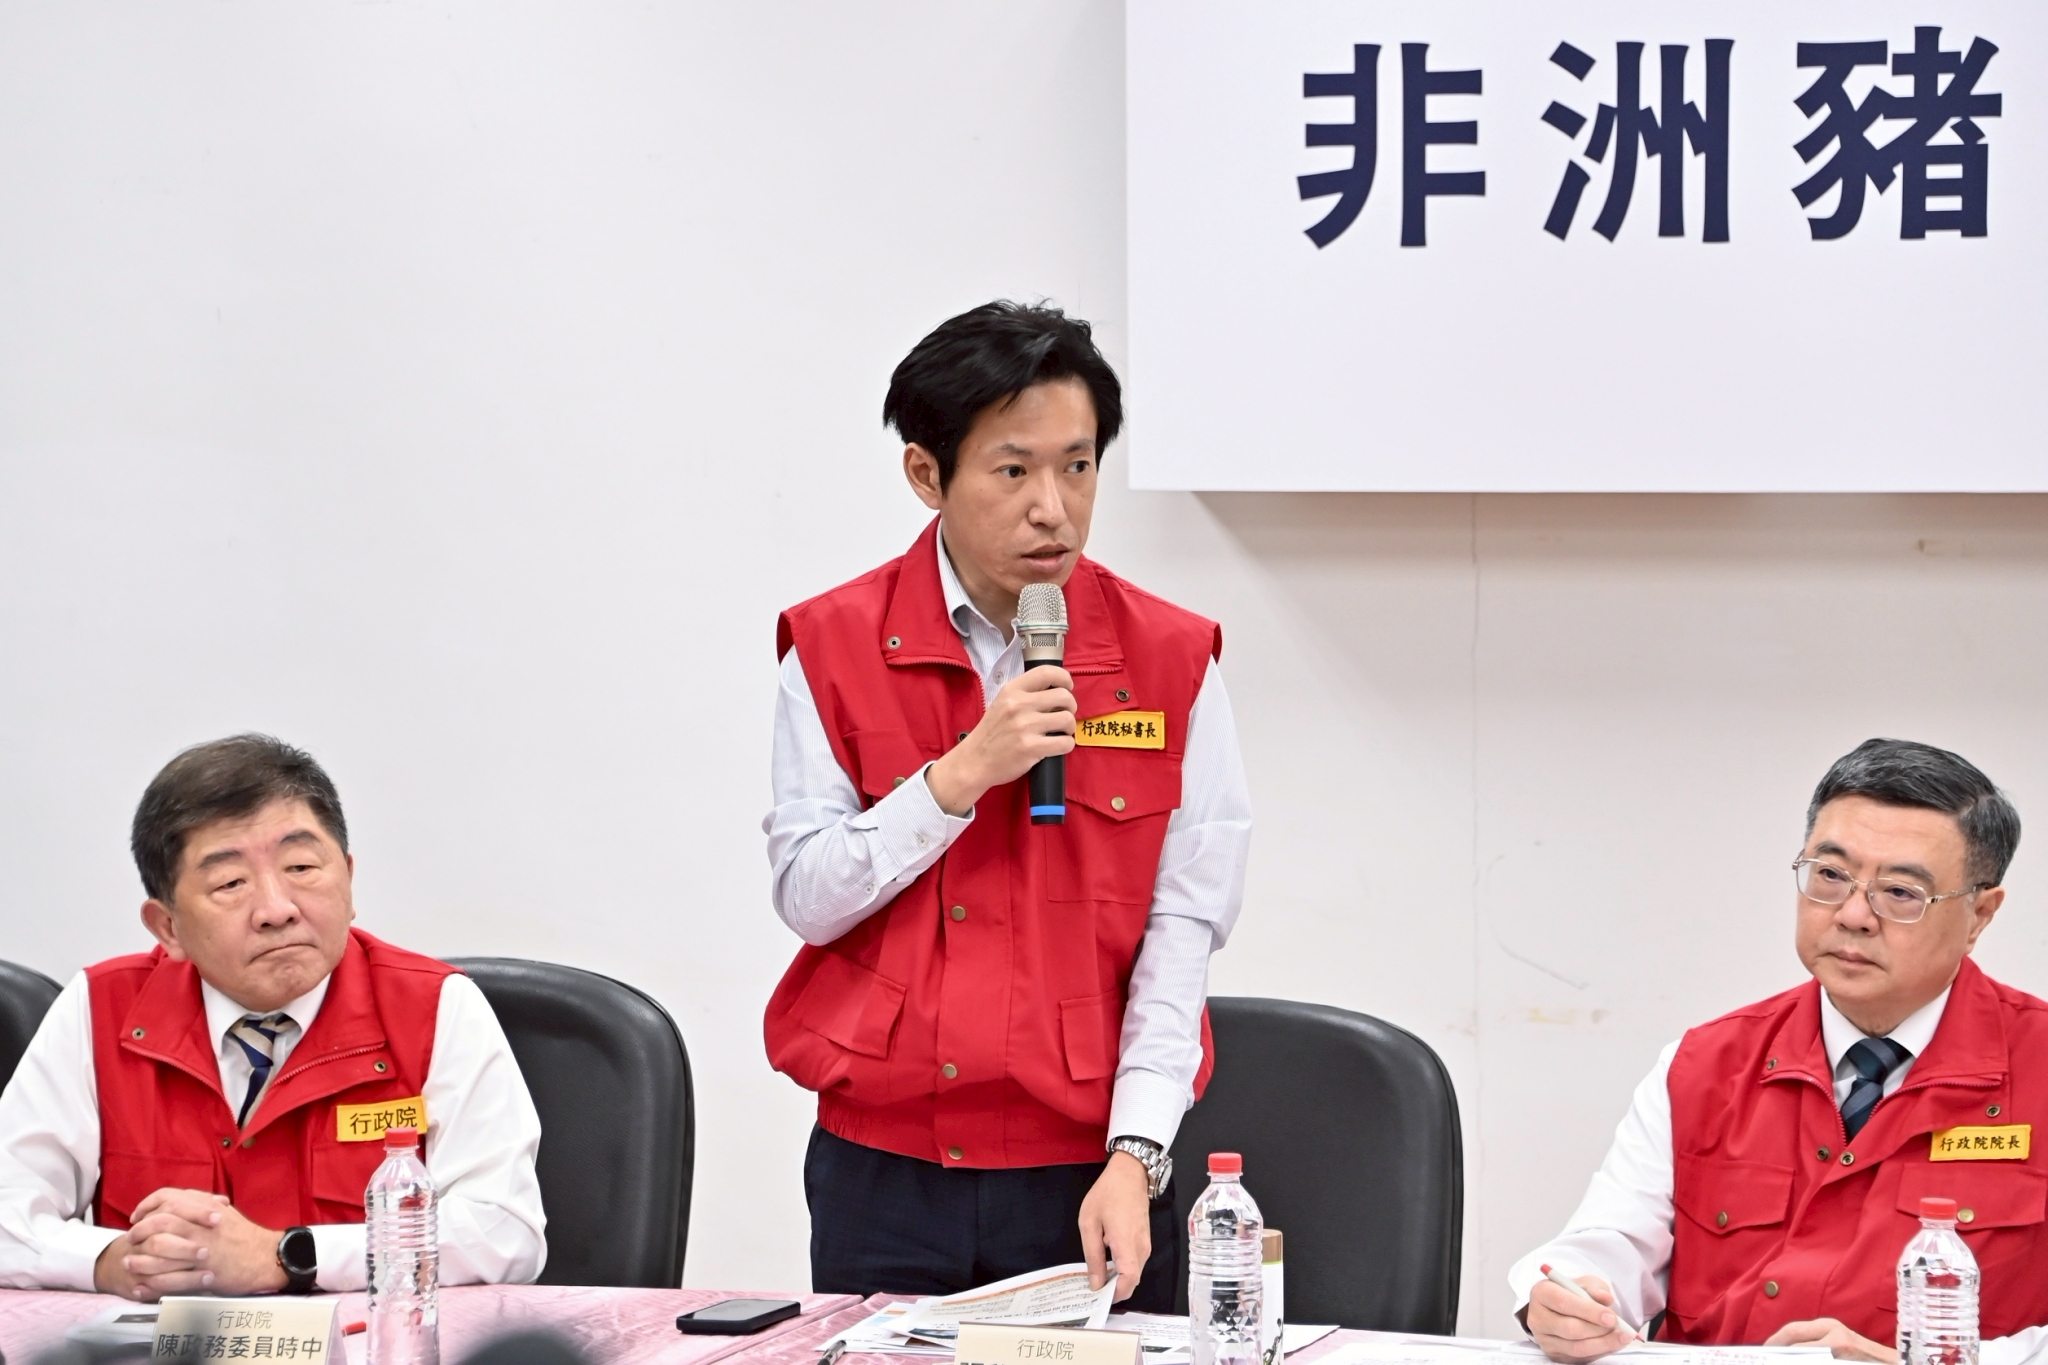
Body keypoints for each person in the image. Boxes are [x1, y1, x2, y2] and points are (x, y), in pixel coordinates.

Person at [763, 301, 1252, 1310]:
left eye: (1078, 467)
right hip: (882, 1174)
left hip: (1087, 1174)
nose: (1053, 509)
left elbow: (1183, 927)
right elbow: (808, 896)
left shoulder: (1170, 659)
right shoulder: (831, 644)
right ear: (926, 474)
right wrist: (957, 777)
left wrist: (1138, 1152)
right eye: (1014, 470)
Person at [1512, 738, 2048, 1364]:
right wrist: (1567, 1299)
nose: (1853, 915)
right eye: (1831, 876)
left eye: (1901, 892)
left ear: (1979, 915)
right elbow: (1612, 1243)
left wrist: (1914, 1363)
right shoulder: (1705, 1064)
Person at [0, 734, 546, 1298]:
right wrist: (109, 1260)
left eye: (302, 867)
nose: (277, 909)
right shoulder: (101, 1008)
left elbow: (503, 1232)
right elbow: (7, 1212)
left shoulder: (435, 1008)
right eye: (230, 883)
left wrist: (287, 1256)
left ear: (349, 880)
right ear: (168, 927)